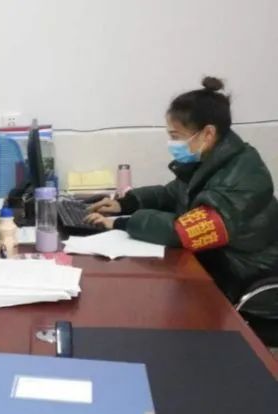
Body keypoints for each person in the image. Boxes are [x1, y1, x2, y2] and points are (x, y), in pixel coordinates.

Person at [86, 76, 278, 301]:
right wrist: (124, 203)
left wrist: (120, 223)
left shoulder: (241, 179)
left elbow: (185, 232)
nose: (172, 144)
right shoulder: (210, 161)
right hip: (214, 262)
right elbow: (172, 193)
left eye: (175, 136)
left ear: (207, 134)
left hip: (241, 277)